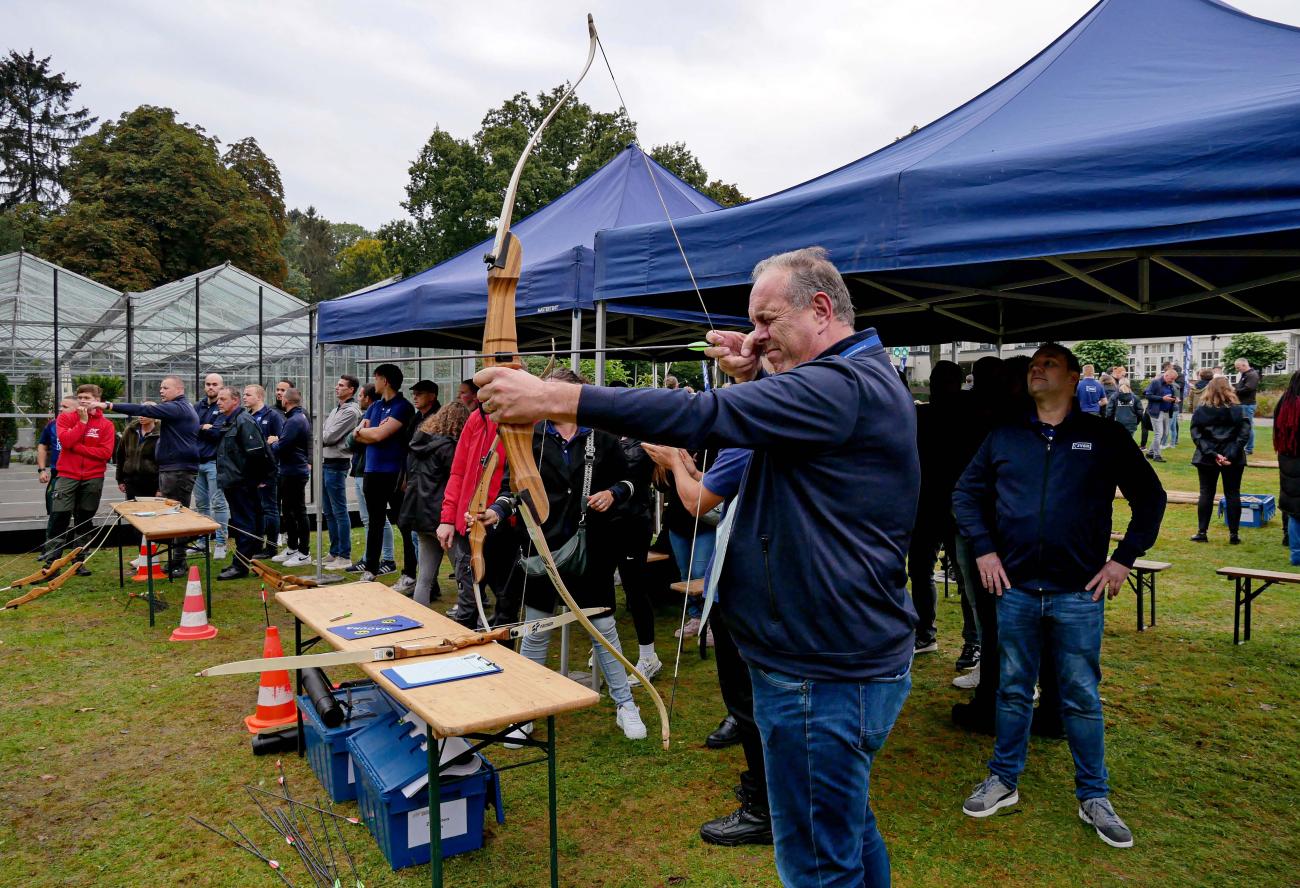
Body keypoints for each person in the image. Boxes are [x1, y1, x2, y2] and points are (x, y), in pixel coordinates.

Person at [475, 246, 918, 887]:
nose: (755, 337)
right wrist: (753, 375)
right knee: (843, 827)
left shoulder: (842, 385)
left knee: (818, 860)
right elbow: (767, 423)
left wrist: (553, 397)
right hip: (830, 656)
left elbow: (700, 416)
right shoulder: (850, 380)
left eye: (768, 321)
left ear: (821, 309)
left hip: (820, 669)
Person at [952, 343, 1166, 849]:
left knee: (1080, 696)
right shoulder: (1006, 435)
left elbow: (1150, 498)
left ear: (1074, 377)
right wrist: (984, 549)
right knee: (1010, 690)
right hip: (1018, 590)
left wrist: (1122, 560)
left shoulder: (1105, 436)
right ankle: (1003, 781)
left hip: (1078, 594)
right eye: (1034, 364)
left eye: (1048, 363)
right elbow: (965, 493)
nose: (1036, 369)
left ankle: (1095, 796)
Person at [483, 368, 646, 744]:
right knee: (537, 630)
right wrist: (496, 511)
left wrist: (613, 494)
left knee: (603, 631)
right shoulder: (531, 436)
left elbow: (630, 481)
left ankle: (625, 705)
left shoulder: (601, 436)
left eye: (569, 394)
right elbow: (515, 489)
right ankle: (526, 710)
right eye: (554, 393)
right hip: (542, 546)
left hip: (593, 549)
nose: (562, 401)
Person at [646, 442, 771, 846]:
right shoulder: (767, 420)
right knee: (749, 702)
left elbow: (697, 503)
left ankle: (764, 809)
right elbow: (721, 493)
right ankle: (765, 794)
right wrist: (692, 470)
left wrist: (674, 466)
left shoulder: (756, 423)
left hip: (748, 590)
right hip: (744, 585)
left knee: (750, 702)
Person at [909, 360, 980, 662]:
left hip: (954, 506)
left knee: (963, 577)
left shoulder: (965, 414)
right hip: (929, 505)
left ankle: (970, 641)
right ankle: (928, 634)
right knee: (922, 572)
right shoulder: (924, 414)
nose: (940, 387)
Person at [102, 376, 201, 578]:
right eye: (160, 387)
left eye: (165, 387)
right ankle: (173, 558)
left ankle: (179, 561)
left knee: (178, 516)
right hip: (171, 470)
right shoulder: (176, 409)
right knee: (172, 515)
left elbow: (144, 410)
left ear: (179, 389)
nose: (161, 391)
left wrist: (108, 405)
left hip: (178, 471)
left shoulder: (178, 408)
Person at [438, 388, 512, 628]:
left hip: (503, 526)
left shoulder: (519, 421)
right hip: (467, 525)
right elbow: (458, 471)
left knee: (506, 601)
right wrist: (448, 518)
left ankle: (504, 657)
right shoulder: (475, 419)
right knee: (468, 599)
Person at [401, 401, 468, 605]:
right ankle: (466, 612)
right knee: (463, 571)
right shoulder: (450, 449)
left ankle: (420, 619)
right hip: (442, 516)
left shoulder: (418, 444)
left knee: (425, 578)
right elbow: (456, 481)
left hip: (419, 514)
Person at [354, 364, 416, 584]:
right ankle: (371, 569)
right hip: (372, 471)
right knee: (375, 521)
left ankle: (409, 572)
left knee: (404, 523)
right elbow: (357, 434)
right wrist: (367, 432)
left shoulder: (403, 407)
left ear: (386, 381)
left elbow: (379, 434)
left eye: (377, 378)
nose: (374, 382)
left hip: (395, 474)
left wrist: (368, 432)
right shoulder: (375, 406)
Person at [43, 384, 116, 573]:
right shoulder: (66, 418)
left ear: (98, 401)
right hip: (67, 475)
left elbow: (105, 453)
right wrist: (82, 423)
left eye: (88, 398)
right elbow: (66, 442)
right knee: (59, 517)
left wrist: (77, 448)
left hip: (93, 477)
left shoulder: (106, 425)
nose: (83, 400)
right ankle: (52, 563)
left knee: (84, 520)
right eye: (81, 397)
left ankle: (78, 561)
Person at [214, 386, 274, 579]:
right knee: (247, 522)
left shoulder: (243, 421)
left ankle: (240, 565)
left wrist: (257, 480)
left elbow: (257, 453)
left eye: (223, 399)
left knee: (244, 523)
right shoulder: (230, 421)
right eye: (218, 399)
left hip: (242, 482)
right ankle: (250, 561)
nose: (218, 402)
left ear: (235, 401)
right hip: (234, 481)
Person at [1188, 377, 1252, 545]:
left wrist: (1213, 453)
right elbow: (1244, 433)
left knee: (1207, 493)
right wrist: (1223, 454)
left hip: (1211, 456)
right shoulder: (1238, 409)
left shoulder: (1202, 410)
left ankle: (1202, 531)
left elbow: (1196, 434)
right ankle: (1233, 533)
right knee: (1232, 493)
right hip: (1228, 456)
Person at [349, 384, 396, 575]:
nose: (359, 398)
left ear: (369, 398)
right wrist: (360, 434)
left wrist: (363, 434)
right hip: (362, 471)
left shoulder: (380, 416)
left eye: (361, 395)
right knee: (368, 519)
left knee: (378, 519)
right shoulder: (366, 415)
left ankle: (387, 559)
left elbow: (373, 439)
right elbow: (350, 441)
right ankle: (370, 557)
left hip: (374, 472)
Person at [320, 374, 362, 570]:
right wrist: (323, 435)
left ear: (351, 389)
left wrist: (321, 436)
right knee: (328, 510)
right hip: (326, 461)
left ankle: (344, 555)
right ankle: (334, 551)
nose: (336, 388)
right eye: (337, 385)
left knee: (338, 510)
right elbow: (325, 432)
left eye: (341, 385)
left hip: (337, 463)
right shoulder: (336, 408)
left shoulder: (351, 412)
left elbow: (329, 436)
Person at [271, 388, 312, 566]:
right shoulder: (295, 418)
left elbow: (282, 447)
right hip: (289, 470)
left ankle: (304, 552)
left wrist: (273, 442)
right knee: (288, 511)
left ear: (286, 402)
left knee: (298, 511)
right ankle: (292, 547)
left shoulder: (295, 420)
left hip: (294, 472)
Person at [242, 385, 283, 558]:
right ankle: (256, 544)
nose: (244, 397)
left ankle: (272, 546)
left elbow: (282, 440)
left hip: (267, 471)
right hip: (250, 471)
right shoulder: (246, 416)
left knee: (269, 509)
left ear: (259, 397)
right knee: (255, 509)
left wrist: (272, 444)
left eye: (248, 394)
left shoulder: (272, 416)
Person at [193, 372, 230, 560]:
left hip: (214, 462)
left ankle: (221, 542)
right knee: (201, 504)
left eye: (215, 384)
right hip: (197, 462)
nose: (210, 387)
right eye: (208, 384)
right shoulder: (197, 406)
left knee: (218, 503)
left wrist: (204, 428)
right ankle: (203, 540)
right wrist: (203, 427)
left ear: (221, 386)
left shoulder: (223, 407)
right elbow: (189, 428)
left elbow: (217, 433)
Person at [37, 398, 76, 542]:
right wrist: (42, 469)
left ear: (76, 409)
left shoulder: (83, 426)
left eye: (65, 407)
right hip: (57, 473)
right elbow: (42, 446)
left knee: (79, 514)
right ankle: (50, 548)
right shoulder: (52, 425)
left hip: (78, 474)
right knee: (55, 512)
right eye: (60, 407)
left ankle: (78, 553)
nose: (60, 409)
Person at [1272, 370, 1300, 564]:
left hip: (1287, 455)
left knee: (1293, 508)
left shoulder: (1285, 401)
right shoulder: (1289, 403)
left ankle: (1295, 552)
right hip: (1292, 454)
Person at [114, 415, 160, 499]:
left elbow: (165, 462)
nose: (142, 416)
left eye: (146, 414)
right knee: (132, 509)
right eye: (140, 414)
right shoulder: (130, 430)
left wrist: (161, 488)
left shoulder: (161, 433)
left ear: (155, 416)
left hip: (153, 481)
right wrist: (120, 479)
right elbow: (120, 455)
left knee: (151, 509)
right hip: (131, 480)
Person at [1142, 368, 1178, 462]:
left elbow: (1170, 396)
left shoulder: (1170, 385)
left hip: (1166, 411)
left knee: (1165, 433)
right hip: (1156, 411)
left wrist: (1174, 399)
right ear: (1166, 375)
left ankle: (1150, 453)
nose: (1173, 381)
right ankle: (1157, 455)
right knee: (1159, 433)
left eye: (1174, 379)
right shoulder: (1156, 383)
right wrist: (1162, 399)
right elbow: (1148, 395)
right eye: (1171, 378)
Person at [1232, 358, 1260, 455]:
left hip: (1247, 404)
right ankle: (1244, 447)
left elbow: (1249, 388)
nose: (1237, 369)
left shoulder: (1252, 375)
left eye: (1238, 367)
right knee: (1242, 426)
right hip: (1243, 403)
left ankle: (1249, 448)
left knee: (1248, 426)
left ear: (1244, 365)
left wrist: (1235, 391)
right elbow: (1242, 387)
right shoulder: (1245, 374)